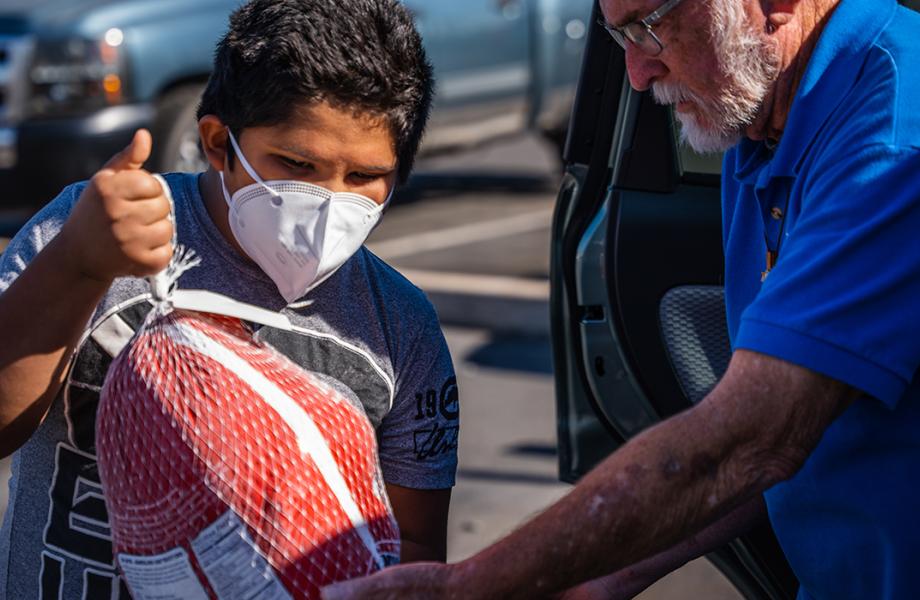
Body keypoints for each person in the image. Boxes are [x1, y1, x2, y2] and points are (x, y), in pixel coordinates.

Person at [323, 0, 920, 598]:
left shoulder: (896, 130)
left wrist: (476, 587)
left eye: (649, 27)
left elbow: (754, 435)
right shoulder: (763, 125)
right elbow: (772, 451)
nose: (637, 74)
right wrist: (597, 580)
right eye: (619, 37)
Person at [0, 0, 459, 597]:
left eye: (364, 177)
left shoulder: (400, 326)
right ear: (218, 142)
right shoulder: (97, 232)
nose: (327, 203)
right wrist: (77, 264)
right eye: (297, 164)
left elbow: (413, 550)